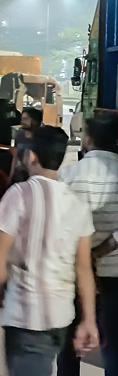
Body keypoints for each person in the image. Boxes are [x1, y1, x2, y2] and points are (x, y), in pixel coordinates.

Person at [0, 126, 99, 376]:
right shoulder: (77, 203)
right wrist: (89, 320)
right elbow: (83, 268)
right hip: (60, 318)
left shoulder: (18, 195)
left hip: (26, 317)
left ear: (32, 156)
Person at [57, 113, 118, 376]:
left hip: (73, 271)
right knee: (112, 341)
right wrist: (101, 251)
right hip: (115, 271)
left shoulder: (68, 175)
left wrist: (85, 254)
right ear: (116, 139)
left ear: (88, 139)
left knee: (68, 342)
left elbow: (60, 224)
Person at [10, 106, 43, 184]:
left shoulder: (42, 138)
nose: (22, 121)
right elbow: (15, 156)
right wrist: (10, 176)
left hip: (34, 178)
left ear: (35, 121)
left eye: (25, 119)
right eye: (22, 119)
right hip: (19, 175)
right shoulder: (20, 134)